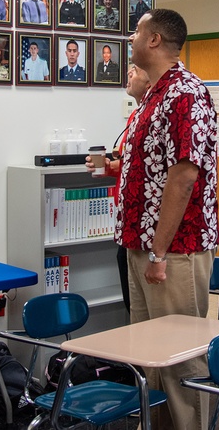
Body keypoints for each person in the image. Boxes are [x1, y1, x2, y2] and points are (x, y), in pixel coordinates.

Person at [113, 8, 217, 430]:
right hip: (142, 245)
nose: (131, 38)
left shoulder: (185, 93)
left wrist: (158, 250)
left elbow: (184, 176)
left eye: (137, 30)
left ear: (154, 40)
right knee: (149, 357)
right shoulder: (153, 94)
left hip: (172, 250)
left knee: (181, 360)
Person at [88, 63, 152, 314]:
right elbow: (130, 163)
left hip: (146, 226)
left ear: (149, 82)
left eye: (135, 71)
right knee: (133, 304)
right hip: (127, 223)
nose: (128, 74)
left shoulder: (152, 114)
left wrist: (115, 166)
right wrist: (107, 166)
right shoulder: (136, 115)